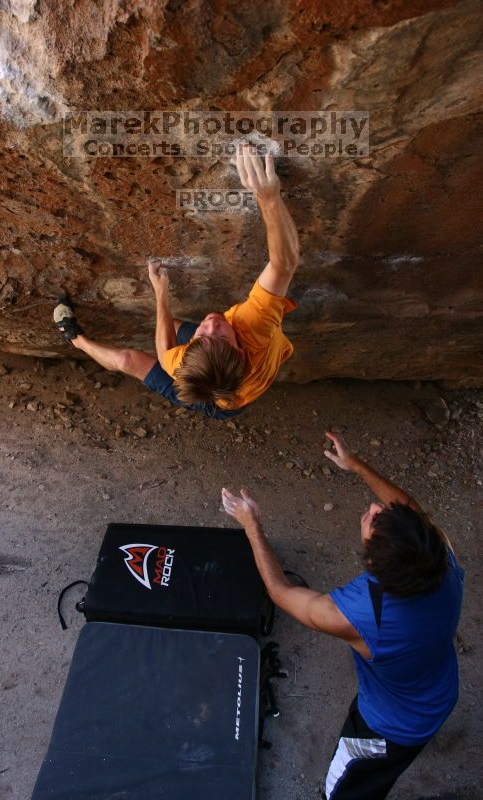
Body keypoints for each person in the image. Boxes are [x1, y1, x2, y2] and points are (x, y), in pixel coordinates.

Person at [222, 432, 464, 800]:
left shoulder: (361, 616)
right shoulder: (442, 561)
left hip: (389, 729)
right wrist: (356, 465)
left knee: (343, 791)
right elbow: (410, 509)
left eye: (374, 520)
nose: (373, 507)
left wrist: (252, 525)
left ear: (373, 558)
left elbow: (282, 593)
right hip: (440, 690)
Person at [53, 144, 300, 420]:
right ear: (240, 352)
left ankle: (76, 340)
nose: (210, 323)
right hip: (236, 384)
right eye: (219, 336)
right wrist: (268, 197)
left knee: (127, 360)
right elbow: (284, 265)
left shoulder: (178, 361)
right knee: (169, 326)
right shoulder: (253, 328)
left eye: (202, 335)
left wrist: (161, 295)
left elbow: (164, 352)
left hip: (216, 398)